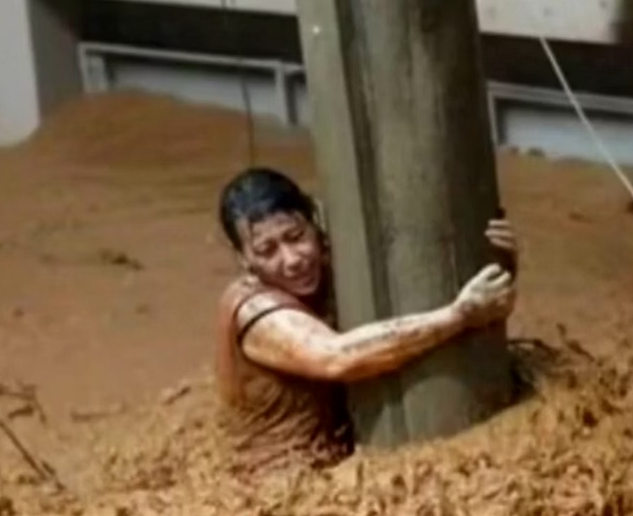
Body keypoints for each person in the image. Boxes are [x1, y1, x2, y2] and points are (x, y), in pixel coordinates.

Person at [214, 167, 518, 474]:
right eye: (267, 251)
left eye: (296, 237)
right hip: (281, 477)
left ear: (314, 224)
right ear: (244, 259)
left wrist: (495, 260)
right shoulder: (254, 309)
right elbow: (335, 357)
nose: (292, 259)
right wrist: (458, 316)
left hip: (343, 456)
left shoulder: (336, 264)